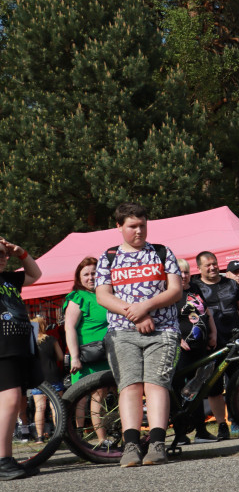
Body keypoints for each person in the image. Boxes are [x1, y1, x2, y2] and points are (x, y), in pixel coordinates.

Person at [94, 201, 183, 468]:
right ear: (119, 226)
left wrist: (147, 306)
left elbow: (175, 290)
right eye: (132, 226)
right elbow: (102, 295)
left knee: (156, 384)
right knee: (130, 386)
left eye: (142, 225)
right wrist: (135, 313)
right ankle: (130, 445)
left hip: (163, 330)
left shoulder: (162, 252)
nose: (139, 231)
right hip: (122, 332)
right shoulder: (108, 256)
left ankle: (157, 443)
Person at [193, 251, 239, 441]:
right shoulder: (195, 286)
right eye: (207, 265)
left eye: (214, 263)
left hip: (234, 342)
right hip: (210, 345)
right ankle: (222, 425)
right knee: (214, 388)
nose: (212, 267)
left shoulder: (232, 284)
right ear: (199, 268)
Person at [0, 237, 43, 480]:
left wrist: (21, 252)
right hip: (2, 349)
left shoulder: (9, 279)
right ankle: (3, 460)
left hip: (18, 347)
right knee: (10, 399)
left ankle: (6, 457)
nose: (3, 258)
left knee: (13, 402)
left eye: (5, 254)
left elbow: (35, 274)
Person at [63, 256, 113, 449]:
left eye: (94, 273)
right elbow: (69, 328)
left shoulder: (107, 293)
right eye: (86, 274)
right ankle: (99, 439)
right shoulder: (78, 297)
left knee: (106, 395)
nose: (91, 277)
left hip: (108, 354)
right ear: (79, 277)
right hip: (89, 357)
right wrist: (74, 357)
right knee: (91, 397)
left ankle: (111, 436)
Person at [171, 263, 217, 447]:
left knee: (198, 389)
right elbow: (165, 319)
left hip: (201, 348)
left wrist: (213, 333)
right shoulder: (171, 292)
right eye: (179, 272)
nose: (183, 275)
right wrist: (177, 338)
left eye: (186, 272)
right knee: (179, 392)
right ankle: (180, 434)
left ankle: (201, 430)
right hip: (180, 350)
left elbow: (207, 312)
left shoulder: (196, 288)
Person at [27, 316, 64, 442]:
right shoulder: (52, 339)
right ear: (43, 326)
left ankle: (40, 437)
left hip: (38, 378)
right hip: (53, 375)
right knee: (56, 407)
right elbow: (60, 357)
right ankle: (58, 435)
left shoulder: (30, 343)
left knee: (39, 408)